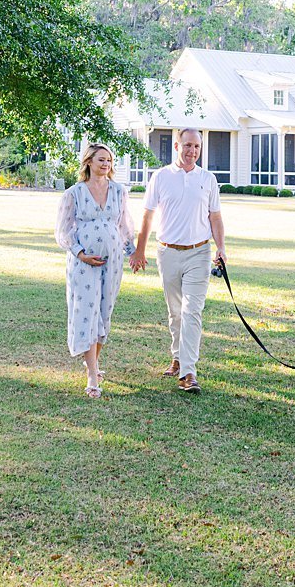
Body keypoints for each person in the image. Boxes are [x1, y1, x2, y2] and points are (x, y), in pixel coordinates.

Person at [130, 127, 226, 395]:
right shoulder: (160, 177)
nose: (192, 151)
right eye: (187, 146)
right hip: (168, 252)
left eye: (196, 146)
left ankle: (188, 372)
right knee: (175, 312)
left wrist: (221, 248)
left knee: (192, 311)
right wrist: (140, 251)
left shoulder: (208, 179)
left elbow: (215, 217)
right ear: (176, 146)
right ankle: (177, 357)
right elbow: (147, 216)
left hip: (199, 253)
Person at [54, 142, 133, 397]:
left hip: (112, 262)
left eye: (109, 160)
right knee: (86, 312)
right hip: (83, 263)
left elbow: (125, 225)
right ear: (88, 161)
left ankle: (94, 364)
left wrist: (134, 253)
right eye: (101, 159)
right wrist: (81, 253)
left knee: (104, 312)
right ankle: (92, 375)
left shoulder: (119, 191)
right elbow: (63, 230)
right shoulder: (74, 193)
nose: (106, 164)